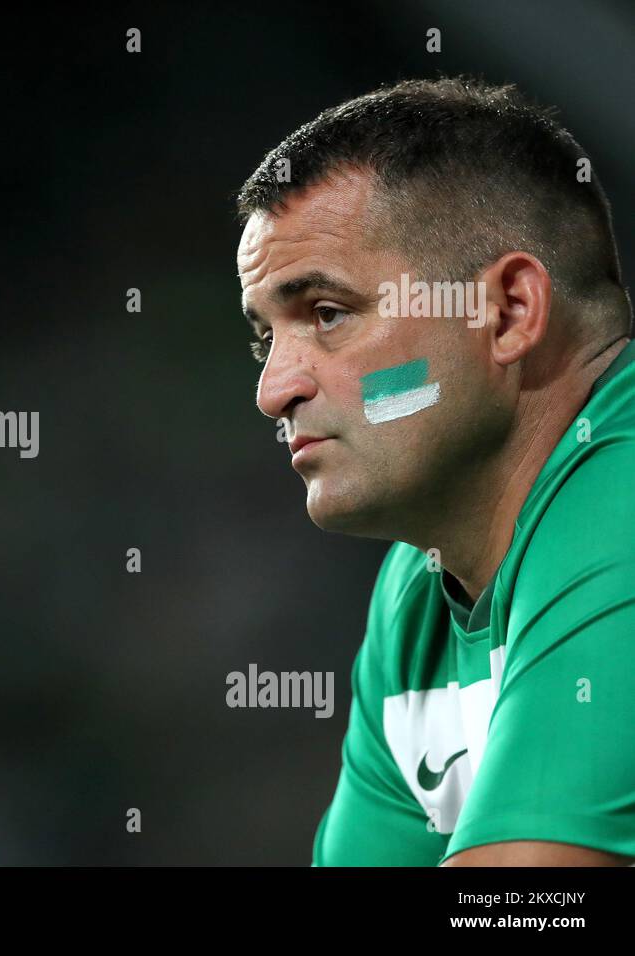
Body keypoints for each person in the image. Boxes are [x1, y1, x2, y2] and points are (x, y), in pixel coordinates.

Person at [235, 77, 635, 865]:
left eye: (327, 313)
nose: (273, 389)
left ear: (510, 312)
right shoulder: (418, 589)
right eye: (265, 338)